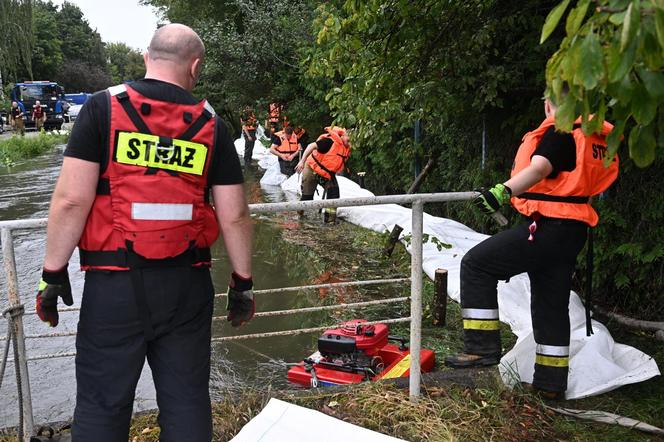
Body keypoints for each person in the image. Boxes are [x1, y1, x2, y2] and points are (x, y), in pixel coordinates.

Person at [35, 24, 254, 441]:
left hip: (113, 286)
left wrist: (52, 274)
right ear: (195, 66)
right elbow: (235, 216)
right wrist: (242, 283)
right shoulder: (211, 125)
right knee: (187, 399)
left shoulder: (101, 109)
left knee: (102, 403)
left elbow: (71, 202)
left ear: (145, 57)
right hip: (187, 286)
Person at [444, 96, 619, 400]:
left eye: (547, 99)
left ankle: (481, 349)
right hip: (573, 231)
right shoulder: (594, 138)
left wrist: (503, 191)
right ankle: (550, 384)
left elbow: (540, 168)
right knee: (551, 304)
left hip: (548, 227)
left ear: (555, 102)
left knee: (477, 264)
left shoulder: (561, 133)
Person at [295, 126, 351, 222]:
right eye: (348, 139)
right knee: (307, 198)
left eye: (351, 141)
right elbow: (311, 146)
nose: (349, 142)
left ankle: (329, 220)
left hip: (327, 173)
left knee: (334, 194)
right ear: (342, 136)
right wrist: (302, 161)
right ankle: (300, 212)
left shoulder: (345, 148)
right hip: (312, 168)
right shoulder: (329, 142)